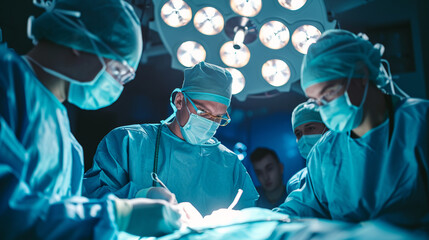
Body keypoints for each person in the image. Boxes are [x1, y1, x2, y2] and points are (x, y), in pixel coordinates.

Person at [0, 0, 189, 238]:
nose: (118, 86)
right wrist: (120, 215)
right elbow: (8, 210)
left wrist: (137, 198)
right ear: (79, 41)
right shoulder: (6, 84)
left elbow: (68, 209)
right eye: (118, 71)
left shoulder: (65, 137)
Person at [275, 29, 429, 229]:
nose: (324, 107)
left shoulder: (420, 123)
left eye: (329, 93)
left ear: (361, 73)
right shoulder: (324, 153)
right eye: (317, 101)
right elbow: (300, 208)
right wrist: (259, 223)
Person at [83, 61, 259, 216]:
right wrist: (140, 197)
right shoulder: (128, 142)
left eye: (218, 117)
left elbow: (248, 223)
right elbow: (91, 200)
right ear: (179, 101)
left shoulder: (230, 165)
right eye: (203, 112)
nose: (210, 123)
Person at [286, 101, 328, 195]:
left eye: (310, 128)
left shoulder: (348, 166)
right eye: (298, 134)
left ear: (327, 128)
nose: (304, 137)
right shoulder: (296, 184)